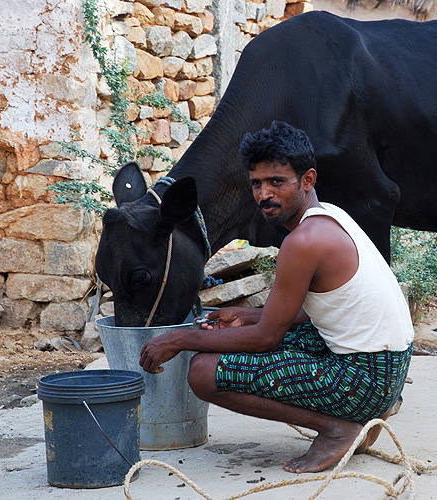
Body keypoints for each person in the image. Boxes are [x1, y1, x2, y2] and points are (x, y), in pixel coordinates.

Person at [139, 121, 414, 473]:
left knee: (204, 371)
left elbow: (267, 338)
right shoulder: (328, 217)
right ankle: (358, 418)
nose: (264, 194)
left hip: (364, 380)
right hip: (386, 368)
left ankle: (336, 429)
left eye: (276, 182)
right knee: (229, 341)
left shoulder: (303, 242)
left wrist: (178, 339)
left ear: (307, 180)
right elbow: (319, 311)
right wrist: (248, 315)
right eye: (256, 184)